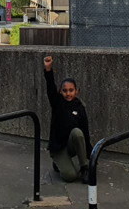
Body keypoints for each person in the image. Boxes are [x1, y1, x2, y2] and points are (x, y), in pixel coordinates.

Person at [43, 55, 92, 183]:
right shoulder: (57, 103)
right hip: (58, 147)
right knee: (70, 176)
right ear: (60, 92)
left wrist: (91, 155)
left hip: (70, 144)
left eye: (71, 90)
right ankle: (57, 163)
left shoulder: (80, 107)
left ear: (77, 91)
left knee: (77, 132)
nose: (68, 93)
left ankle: (84, 168)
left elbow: (85, 133)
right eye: (65, 91)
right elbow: (50, 89)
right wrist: (48, 70)